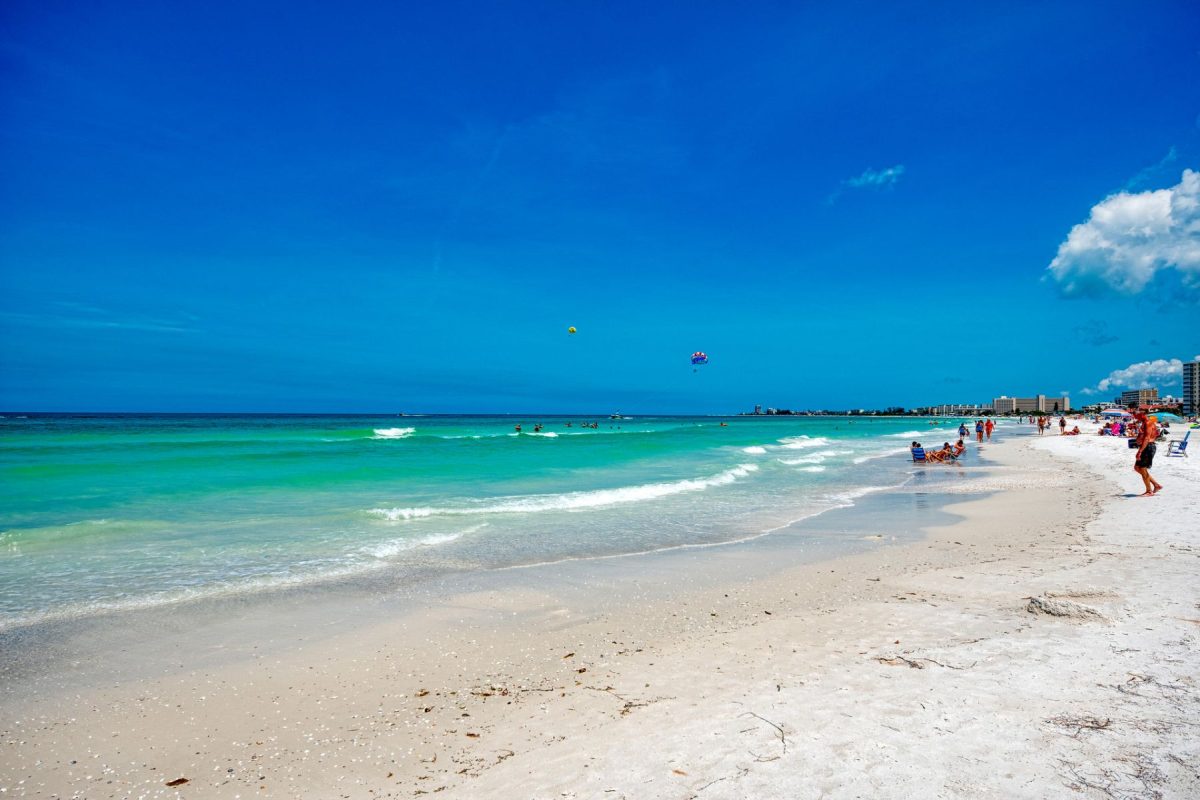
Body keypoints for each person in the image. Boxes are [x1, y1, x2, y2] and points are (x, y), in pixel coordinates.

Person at [1132, 412, 1163, 496]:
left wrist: (1140, 451)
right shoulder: (1145, 424)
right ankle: (1156, 485)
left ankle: (1149, 491)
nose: (1135, 417)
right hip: (1146, 446)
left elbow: (1147, 438)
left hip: (1148, 447)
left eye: (1136, 415)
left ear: (1141, 414)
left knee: (1142, 468)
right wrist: (1140, 434)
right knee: (1137, 467)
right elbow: (1144, 437)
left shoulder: (1147, 423)